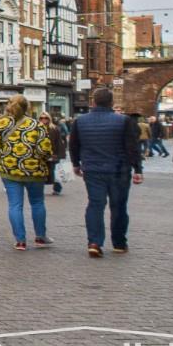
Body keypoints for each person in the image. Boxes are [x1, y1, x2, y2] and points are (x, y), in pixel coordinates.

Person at [69, 87, 142, 257]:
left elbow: (74, 145)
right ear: (112, 102)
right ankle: (119, 243)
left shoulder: (80, 121)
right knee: (119, 207)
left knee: (95, 205)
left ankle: (94, 242)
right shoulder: (124, 121)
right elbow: (132, 147)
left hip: (92, 169)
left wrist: (76, 164)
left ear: (93, 101)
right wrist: (138, 169)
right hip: (119, 170)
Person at [0, 95, 54, 251]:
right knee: (38, 203)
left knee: (15, 205)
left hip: (9, 170)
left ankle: (20, 240)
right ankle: (40, 237)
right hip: (34, 171)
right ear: (28, 107)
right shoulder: (37, 125)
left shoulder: (1, 124)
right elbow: (44, 150)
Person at [39, 112, 68, 195]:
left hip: (53, 154)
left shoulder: (54, 128)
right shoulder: (37, 129)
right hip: (41, 155)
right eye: (41, 118)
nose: (43, 120)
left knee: (54, 172)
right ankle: (39, 189)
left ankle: (57, 189)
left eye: (45, 118)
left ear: (49, 119)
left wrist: (59, 155)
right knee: (40, 173)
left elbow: (59, 142)